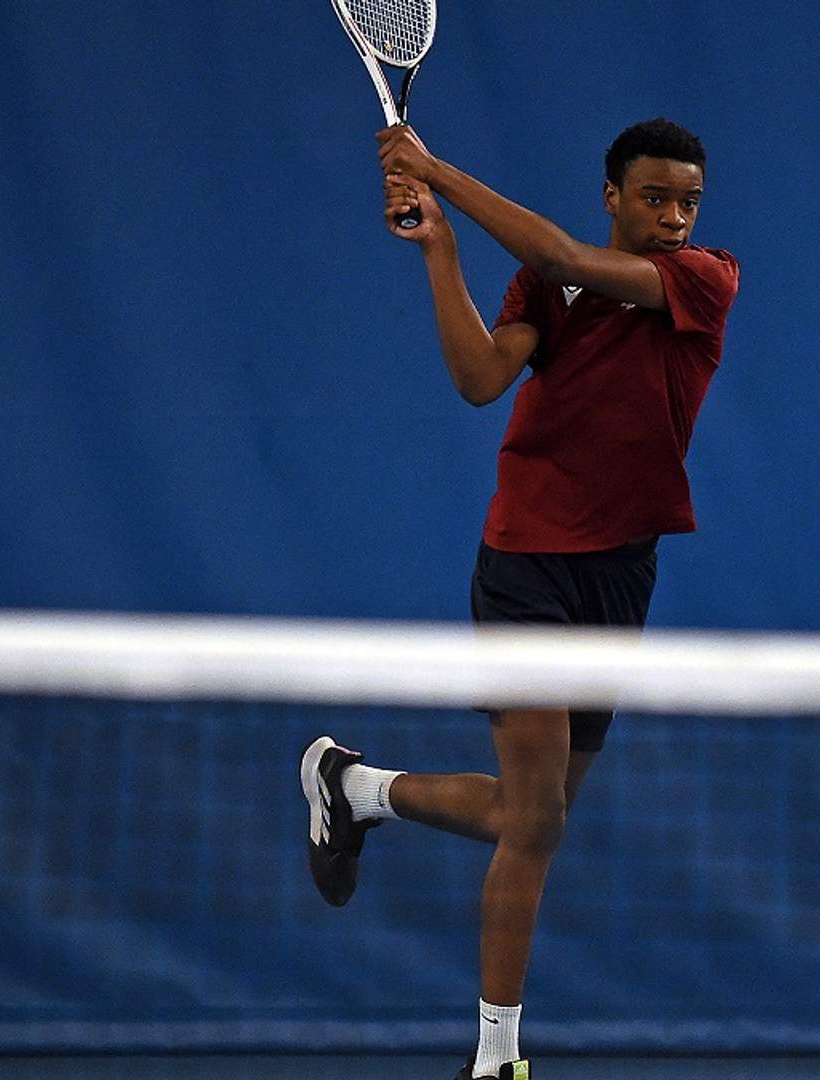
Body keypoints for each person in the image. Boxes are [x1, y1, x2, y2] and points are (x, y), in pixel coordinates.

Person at [300, 117, 738, 1080]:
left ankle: (356, 789)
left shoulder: (704, 280)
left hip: (621, 573)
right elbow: (479, 379)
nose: (673, 218)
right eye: (655, 198)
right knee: (535, 823)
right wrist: (440, 249)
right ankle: (497, 1059)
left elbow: (562, 250)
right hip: (527, 565)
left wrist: (436, 172)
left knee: (530, 816)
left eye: (688, 202)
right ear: (614, 194)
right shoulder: (546, 287)